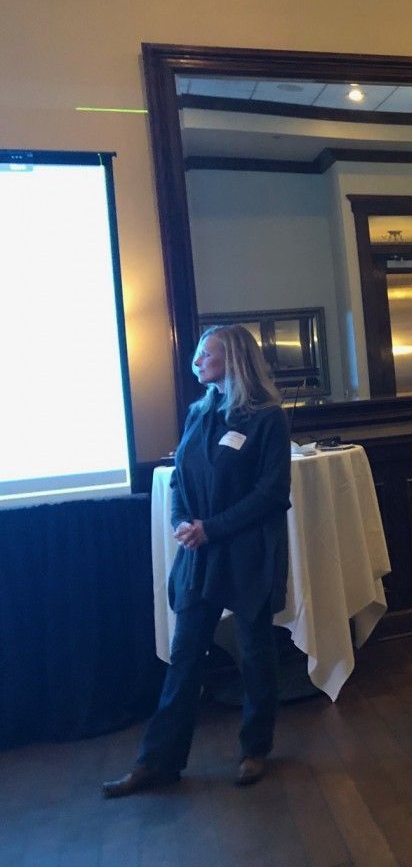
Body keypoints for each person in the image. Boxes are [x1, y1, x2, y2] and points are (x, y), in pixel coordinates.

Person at [103, 325, 291, 798]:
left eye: (207, 354)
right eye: (198, 353)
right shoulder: (198, 413)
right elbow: (179, 479)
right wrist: (183, 520)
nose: (196, 361)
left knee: (254, 653)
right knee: (185, 655)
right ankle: (158, 762)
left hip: (246, 551)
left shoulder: (267, 418)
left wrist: (214, 527)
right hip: (200, 553)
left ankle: (255, 748)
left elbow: (272, 493)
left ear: (234, 359)